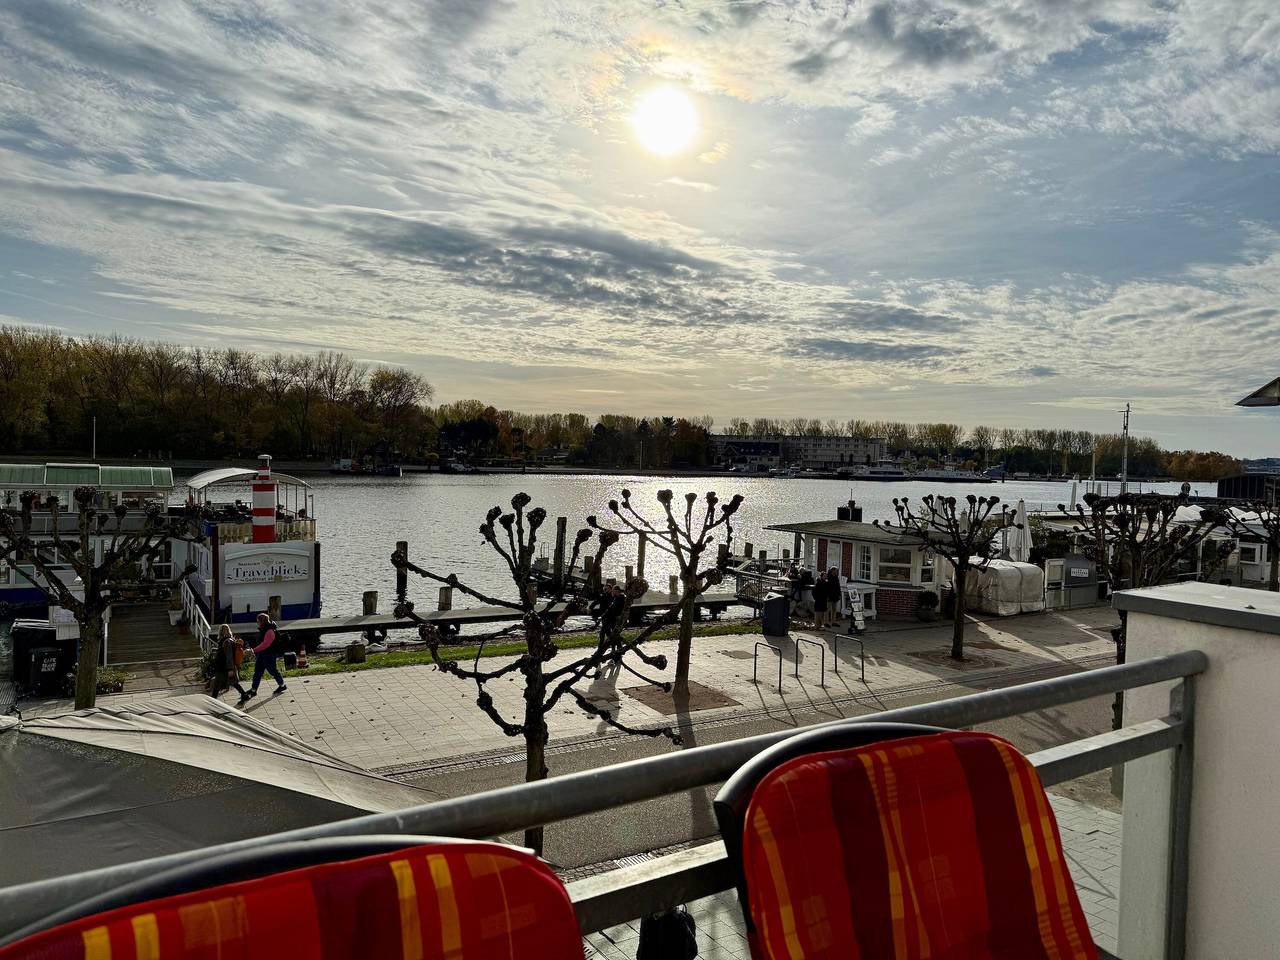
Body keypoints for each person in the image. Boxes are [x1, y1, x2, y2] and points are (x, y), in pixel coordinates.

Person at [245, 612, 287, 699]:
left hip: (269, 655)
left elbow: (265, 644)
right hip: (262, 654)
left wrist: (253, 650)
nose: (257, 623)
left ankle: (282, 685)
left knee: (273, 671)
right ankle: (253, 690)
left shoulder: (270, 631)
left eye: (258, 621)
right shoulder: (264, 629)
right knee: (257, 672)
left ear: (262, 621)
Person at [210, 624, 248, 702]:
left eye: (226, 630)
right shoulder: (225, 640)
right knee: (233, 682)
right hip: (223, 665)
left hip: (224, 666)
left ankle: (213, 700)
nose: (225, 632)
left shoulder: (227, 642)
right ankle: (244, 695)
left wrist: (230, 669)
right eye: (224, 630)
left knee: (218, 683)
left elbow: (229, 656)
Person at [826, 567, 843, 631]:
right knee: (828, 609)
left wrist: (839, 594)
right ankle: (826, 622)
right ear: (832, 571)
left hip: (835, 595)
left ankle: (833, 621)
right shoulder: (828, 577)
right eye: (836, 571)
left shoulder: (836, 577)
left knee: (834, 609)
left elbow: (838, 586)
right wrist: (827, 596)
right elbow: (827, 587)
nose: (837, 572)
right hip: (829, 595)